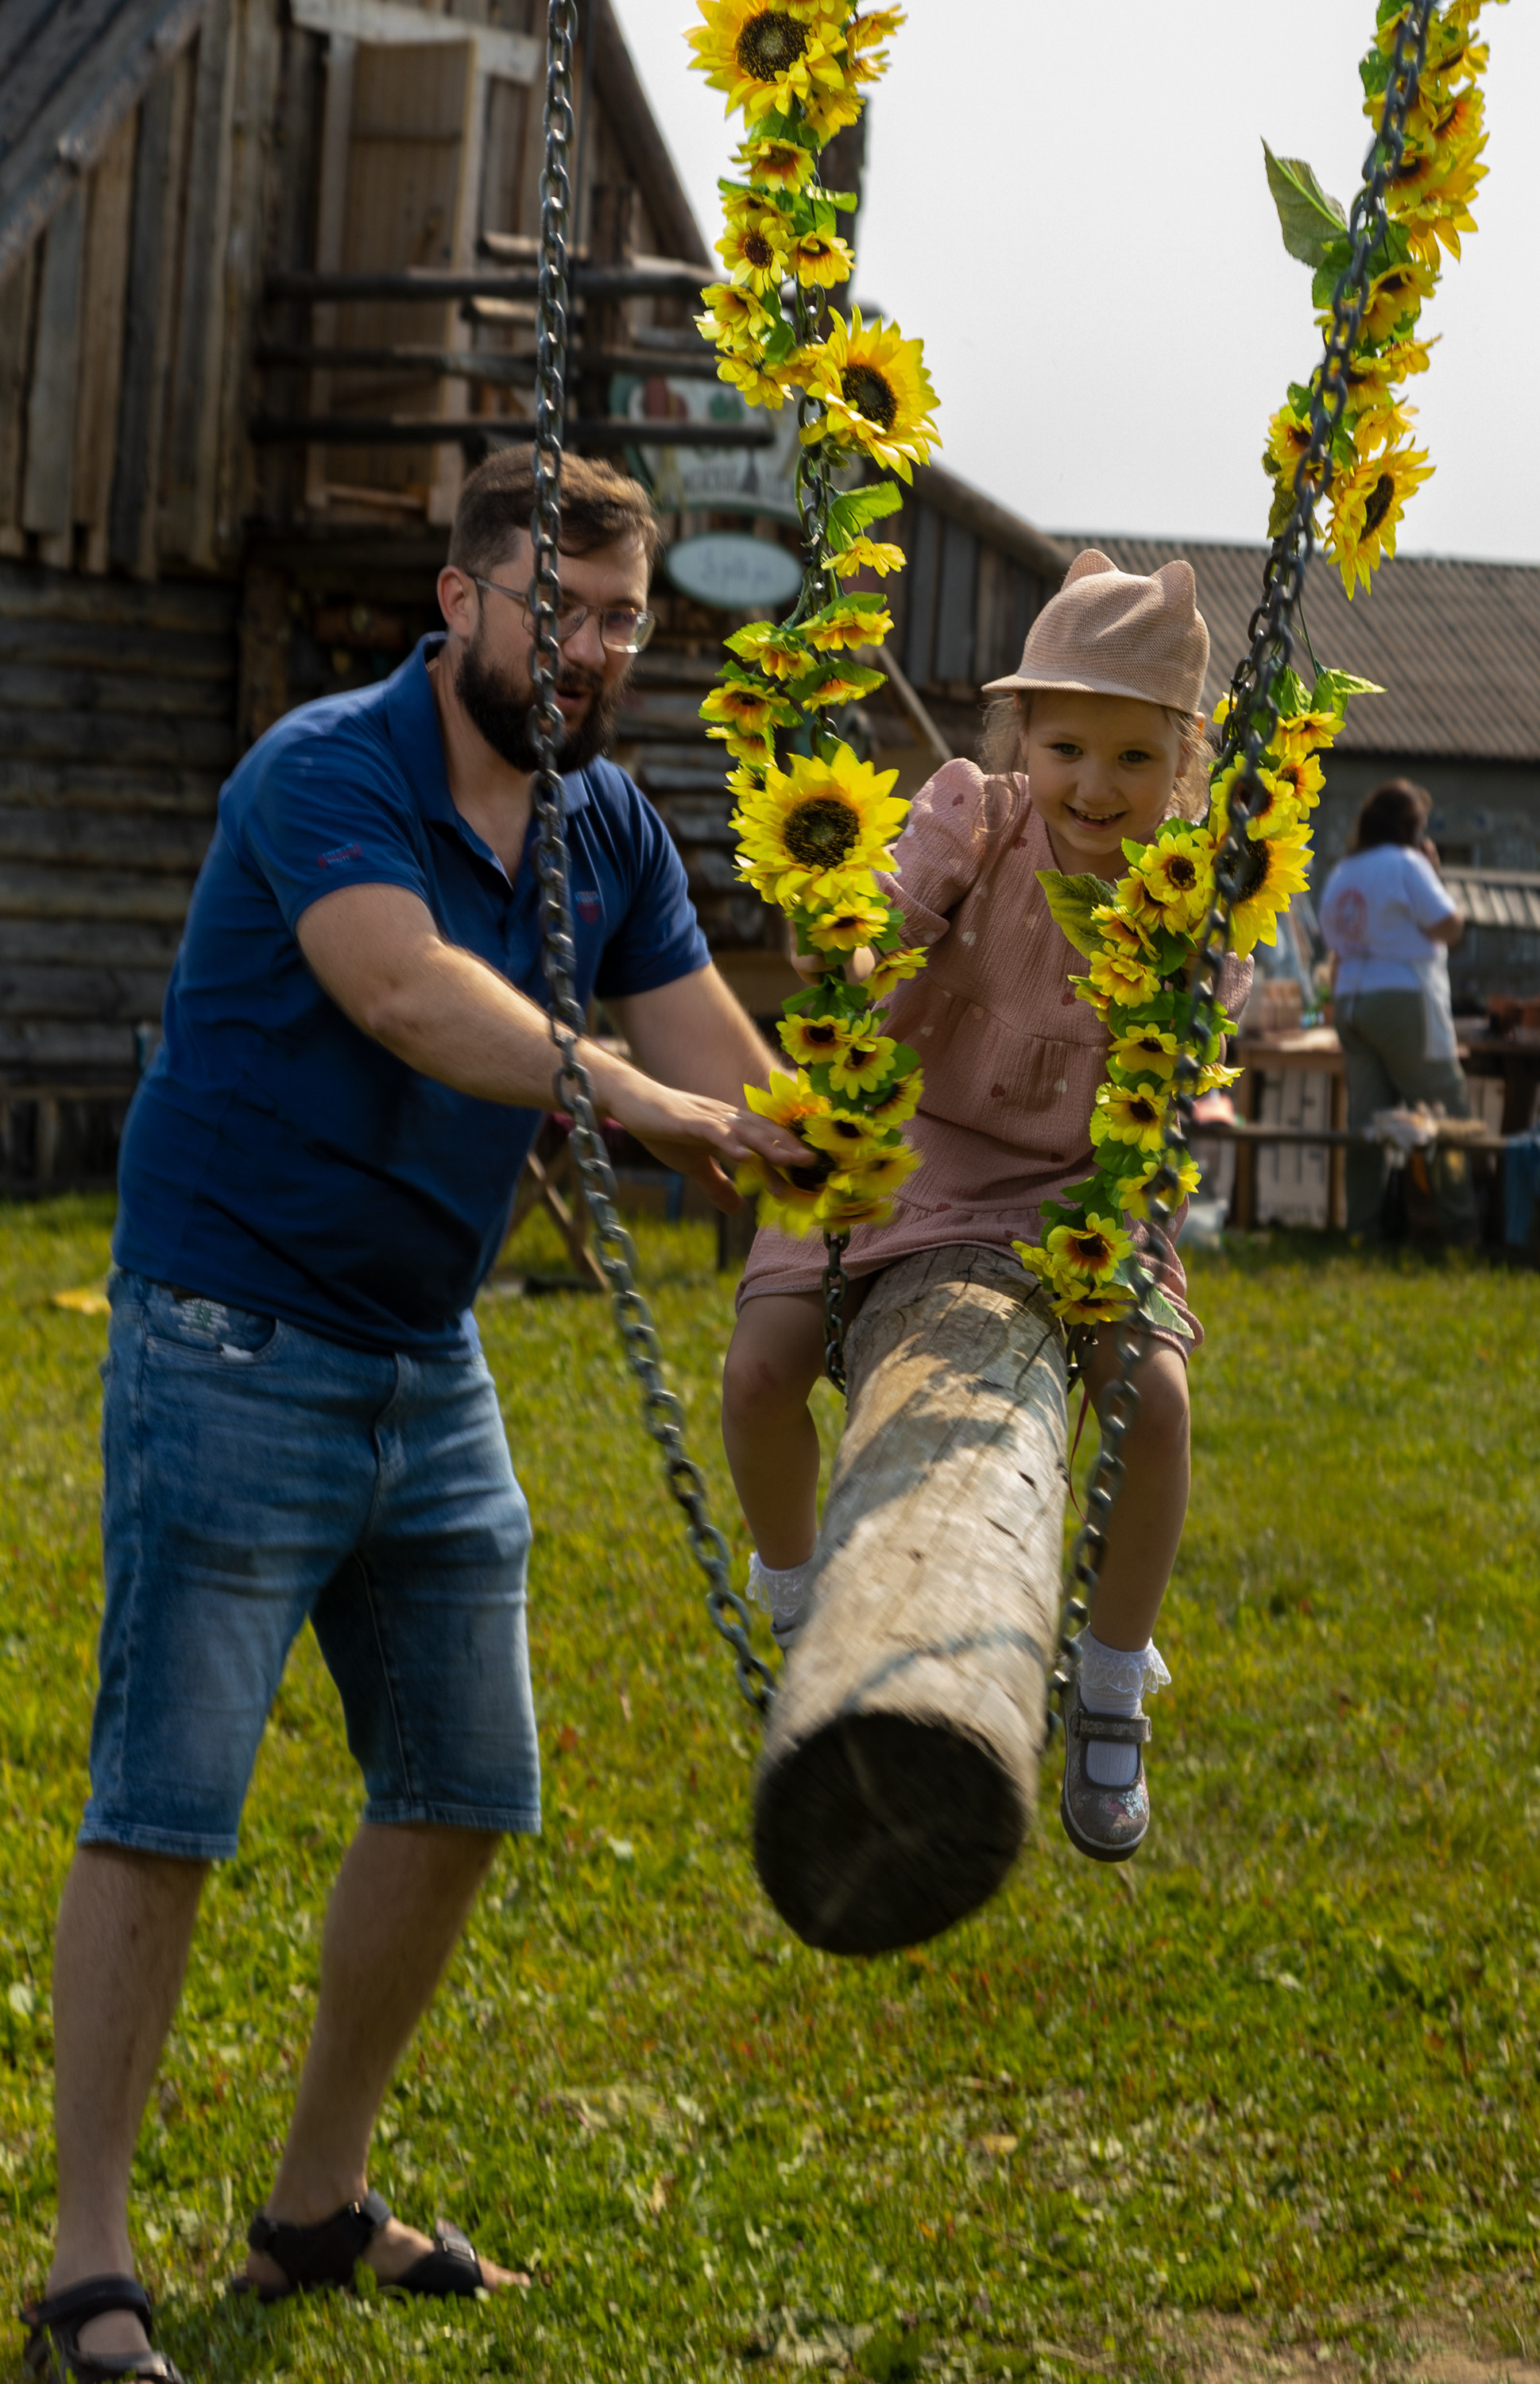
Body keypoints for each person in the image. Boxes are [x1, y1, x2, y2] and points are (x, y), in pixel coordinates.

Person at [23, 451, 808, 2384]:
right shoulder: (323, 767)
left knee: (466, 1786)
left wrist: (876, 1146)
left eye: (623, 619)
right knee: (165, 1798)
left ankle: (311, 2203)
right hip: (228, 1330)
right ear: (458, 602)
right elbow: (407, 995)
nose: (591, 648)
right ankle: (84, 2264)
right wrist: (659, 1112)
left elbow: (724, 1050)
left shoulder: (605, 823)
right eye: (558, 605)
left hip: (418, 1353)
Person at [719, 551, 1251, 1867]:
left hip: (1077, 1180)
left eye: (1134, 758)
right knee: (759, 1369)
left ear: (1183, 762)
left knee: (1158, 1401)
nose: (1094, 785)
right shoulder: (977, 814)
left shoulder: (1185, 884)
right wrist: (854, 937)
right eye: (1067, 746)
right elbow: (880, 943)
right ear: (1021, 736)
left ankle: (1114, 1680)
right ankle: (800, 1603)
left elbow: (1193, 1053)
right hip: (896, 1140)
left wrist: (1190, 964)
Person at [1318, 777, 1476, 1241]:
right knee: (1446, 1113)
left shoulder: (1345, 871)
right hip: (1404, 996)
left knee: (1367, 1122)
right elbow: (1448, 925)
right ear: (1410, 827)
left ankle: (1362, 1230)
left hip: (1350, 1000)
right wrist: (1435, 872)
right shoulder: (1410, 864)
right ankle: (1460, 1230)